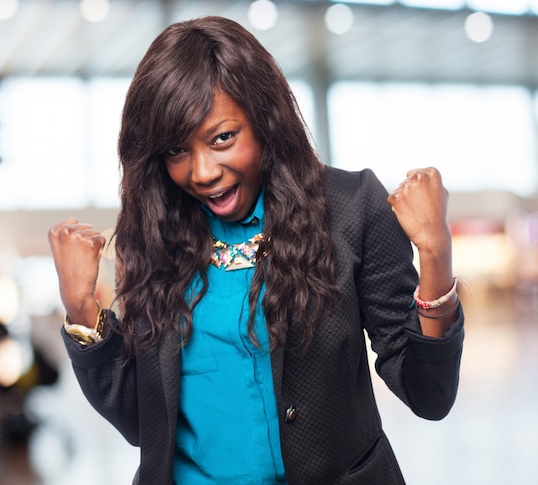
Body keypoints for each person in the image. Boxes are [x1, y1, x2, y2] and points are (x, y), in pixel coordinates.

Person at [48, 15, 464, 485]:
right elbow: (143, 424)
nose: (202, 172)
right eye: (176, 151)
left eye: (222, 138)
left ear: (266, 119)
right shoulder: (155, 234)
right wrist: (82, 308)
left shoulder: (351, 210)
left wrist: (435, 254)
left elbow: (429, 394)